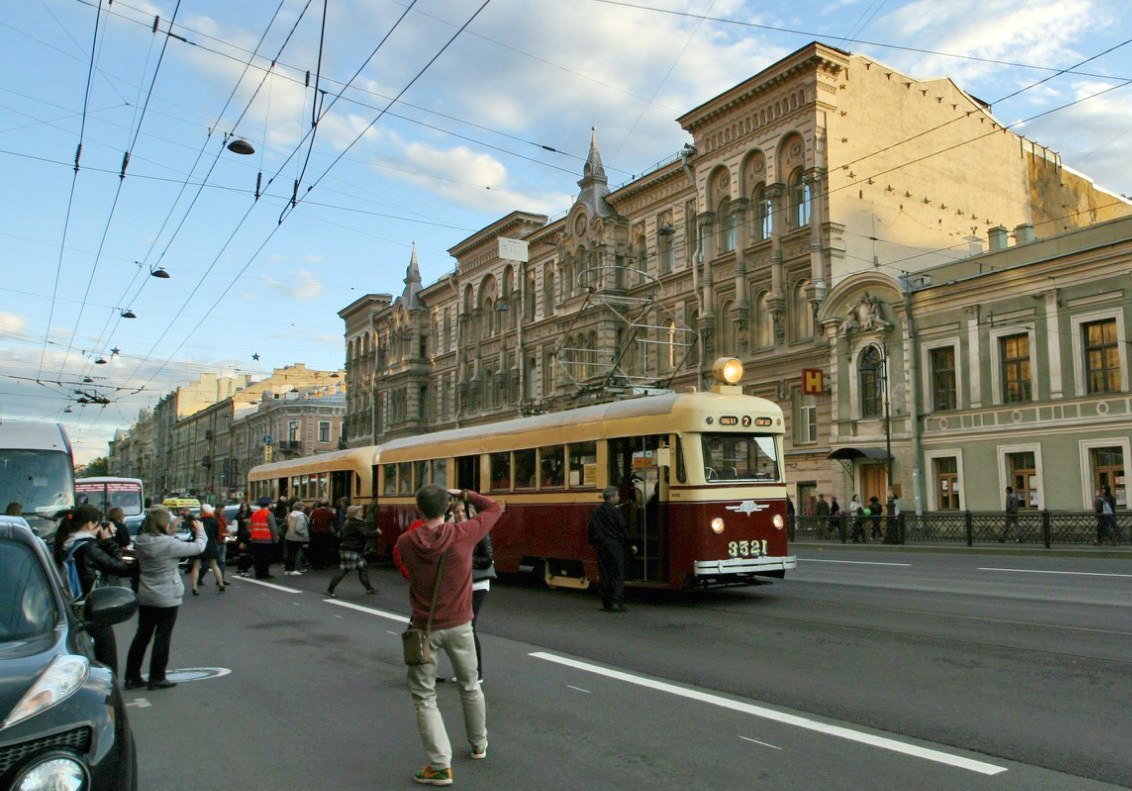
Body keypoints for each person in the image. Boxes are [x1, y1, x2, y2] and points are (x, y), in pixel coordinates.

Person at [396, 485, 501, 786]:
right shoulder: (463, 535)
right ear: (445, 509)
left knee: (424, 696)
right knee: (470, 686)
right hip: (460, 625)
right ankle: (478, 744)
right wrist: (466, 494)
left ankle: (440, 765)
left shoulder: (406, 542)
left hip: (424, 628)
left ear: (418, 510)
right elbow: (495, 508)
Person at [124, 506, 207, 690]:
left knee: (142, 635)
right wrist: (200, 531)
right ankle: (157, 677)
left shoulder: (141, 541)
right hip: (167, 594)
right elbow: (198, 547)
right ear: (163, 524)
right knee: (163, 635)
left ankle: (132, 676)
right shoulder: (168, 544)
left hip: (146, 593)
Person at [54, 504, 135, 676]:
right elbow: (120, 567)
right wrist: (108, 541)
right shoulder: (88, 547)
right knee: (107, 665)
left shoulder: (64, 543)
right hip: (93, 610)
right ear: (90, 525)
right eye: (98, 524)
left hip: (71, 608)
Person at [588, 486, 630, 613]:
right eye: (617, 496)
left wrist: (593, 543)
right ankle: (617, 602)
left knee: (604, 575)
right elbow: (622, 528)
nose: (619, 498)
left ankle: (606, 603)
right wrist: (629, 543)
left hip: (601, 546)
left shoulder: (596, 512)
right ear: (611, 497)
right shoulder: (615, 512)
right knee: (618, 574)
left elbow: (590, 530)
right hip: (615, 545)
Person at [326, 504, 378, 597]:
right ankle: (330, 589)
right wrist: (376, 532)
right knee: (345, 570)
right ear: (355, 513)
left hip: (349, 548)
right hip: (352, 549)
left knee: (362, 568)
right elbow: (365, 534)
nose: (362, 512)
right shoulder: (356, 523)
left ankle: (369, 588)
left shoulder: (348, 522)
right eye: (360, 511)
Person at [189, 504, 226, 594]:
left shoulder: (198, 521)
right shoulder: (215, 521)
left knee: (196, 566)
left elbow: (194, 534)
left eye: (201, 510)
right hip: (211, 545)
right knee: (214, 565)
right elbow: (217, 535)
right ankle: (221, 584)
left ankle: (194, 587)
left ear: (203, 511)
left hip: (199, 544)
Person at [249, 496, 279, 579]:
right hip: (266, 539)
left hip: (255, 539)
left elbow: (251, 525)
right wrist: (275, 539)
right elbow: (273, 527)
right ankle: (265, 573)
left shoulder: (254, 514)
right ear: (268, 504)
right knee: (266, 558)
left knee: (257, 558)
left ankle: (258, 573)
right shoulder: (269, 514)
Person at [309, 500, 337, 569]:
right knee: (324, 549)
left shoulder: (315, 512)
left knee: (315, 549)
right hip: (325, 532)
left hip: (315, 533)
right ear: (327, 505)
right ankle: (321, 565)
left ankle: (315, 564)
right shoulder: (329, 513)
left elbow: (311, 522)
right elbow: (334, 520)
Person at [284, 501, 310, 575]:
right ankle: (293, 570)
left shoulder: (290, 514)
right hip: (297, 537)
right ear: (301, 507)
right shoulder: (301, 516)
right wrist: (305, 534)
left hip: (289, 536)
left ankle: (287, 570)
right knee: (295, 553)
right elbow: (299, 528)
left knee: (289, 553)